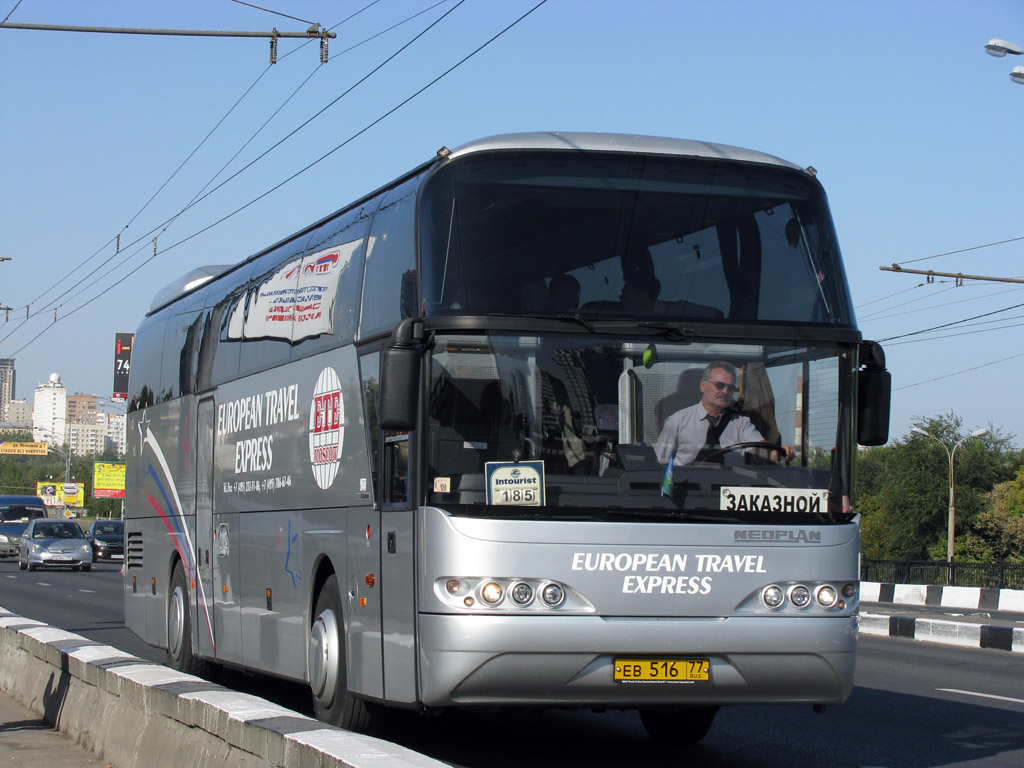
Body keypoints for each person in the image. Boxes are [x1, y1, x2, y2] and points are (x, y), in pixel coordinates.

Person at [654, 361, 793, 466]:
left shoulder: (741, 423)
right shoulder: (676, 422)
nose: (725, 392)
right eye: (719, 385)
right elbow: (660, 463)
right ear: (703, 385)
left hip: (730, 495)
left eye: (731, 388)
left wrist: (777, 452)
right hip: (688, 495)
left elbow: (759, 447)